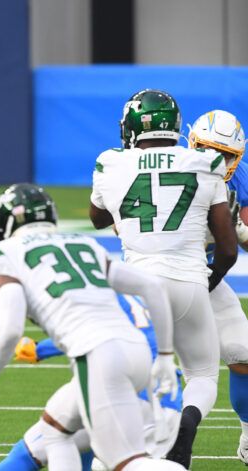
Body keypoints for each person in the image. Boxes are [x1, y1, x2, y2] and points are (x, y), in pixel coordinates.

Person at [0, 183, 183, 471]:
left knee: (126, 463)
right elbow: (151, 287)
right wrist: (164, 355)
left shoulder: (1, 253)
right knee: (54, 431)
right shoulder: (84, 243)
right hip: (135, 350)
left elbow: (10, 329)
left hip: (98, 356)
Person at [89, 89, 238, 468]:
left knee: (132, 378)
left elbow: (98, 218)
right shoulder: (206, 163)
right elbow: (228, 248)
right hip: (189, 281)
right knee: (202, 375)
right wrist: (208, 279)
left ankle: (128, 452)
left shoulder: (110, 162)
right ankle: (185, 424)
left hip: (137, 287)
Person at [0, 295, 183, 470]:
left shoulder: (91, 295)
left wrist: (38, 349)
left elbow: (84, 332)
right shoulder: (129, 293)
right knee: (79, 434)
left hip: (126, 393)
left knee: (33, 448)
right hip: (168, 402)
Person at [188, 109, 248, 464]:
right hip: (157, 277)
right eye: (208, 149)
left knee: (243, 352)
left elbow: (240, 237)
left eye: (225, 154)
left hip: (207, 275)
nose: (217, 160)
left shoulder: (238, 175)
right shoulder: (173, 170)